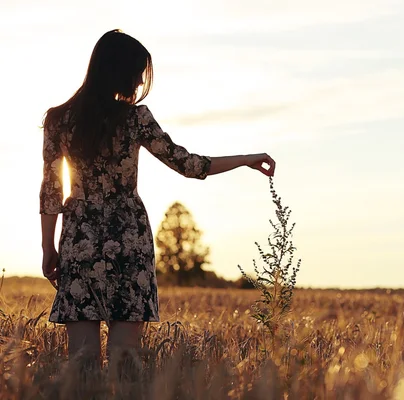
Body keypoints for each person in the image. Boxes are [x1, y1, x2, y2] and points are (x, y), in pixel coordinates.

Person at [40, 29, 275, 366]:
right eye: (136, 71)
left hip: (80, 240)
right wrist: (246, 159)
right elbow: (189, 164)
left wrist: (49, 248)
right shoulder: (136, 119)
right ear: (118, 69)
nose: (139, 81)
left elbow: (51, 191)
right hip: (129, 240)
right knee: (125, 359)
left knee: (81, 360)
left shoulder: (59, 120)